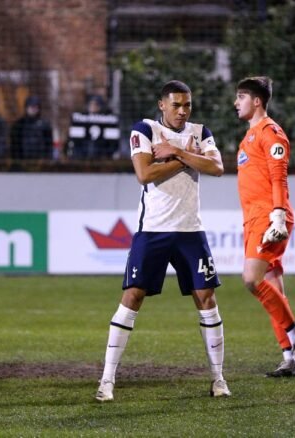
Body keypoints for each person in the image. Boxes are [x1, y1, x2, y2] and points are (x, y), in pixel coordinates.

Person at [96, 80, 229, 402]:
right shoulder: (144, 129)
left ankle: (218, 379)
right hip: (153, 229)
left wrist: (177, 151)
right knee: (133, 296)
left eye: (187, 105)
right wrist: (186, 158)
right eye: (176, 105)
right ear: (162, 105)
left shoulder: (201, 131)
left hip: (190, 230)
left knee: (206, 297)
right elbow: (144, 174)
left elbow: (217, 167)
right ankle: (107, 380)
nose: (183, 111)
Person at [233, 76, 295, 378]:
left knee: (252, 280)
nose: (236, 102)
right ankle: (289, 356)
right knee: (274, 289)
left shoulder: (271, 133)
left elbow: (279, 177)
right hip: (254, 218)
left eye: (241, 97)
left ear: (256, 101)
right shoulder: (249, 137)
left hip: (269, 218)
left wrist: (277, 216)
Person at [66, 94, 120, 159]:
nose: (93, 107)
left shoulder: (108, 120)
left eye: (95, 105)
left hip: (101, 153)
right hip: (83, 153)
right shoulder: (81, 119)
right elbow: (74, 140)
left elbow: (112, 143)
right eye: (91, 104)